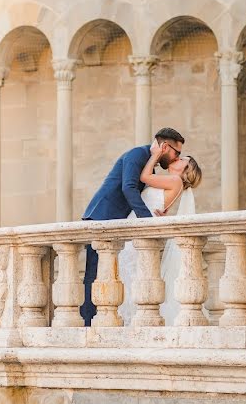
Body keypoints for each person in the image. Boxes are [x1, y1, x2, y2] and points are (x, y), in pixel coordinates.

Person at [80, 128, 186, 326]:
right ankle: (87, 324)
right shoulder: (137, 155)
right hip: (102, 217)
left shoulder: (150, 164)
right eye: (176, 153)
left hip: (116, 222)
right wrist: (146, 221)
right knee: (95, 275)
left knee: (109, 275)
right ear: (164, 146)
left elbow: (145, 194)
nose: (175, 158)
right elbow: (128, 187)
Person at [117, 144, 203, 325]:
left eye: (182, 160)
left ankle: (130, 319)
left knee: (130, 275)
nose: (177, 159)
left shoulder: (175, 181)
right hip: (135, 227)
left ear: (186, 170)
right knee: (130, 274)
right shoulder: (174, 184)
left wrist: (155, 155)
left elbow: (144, 177)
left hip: (137, 231)